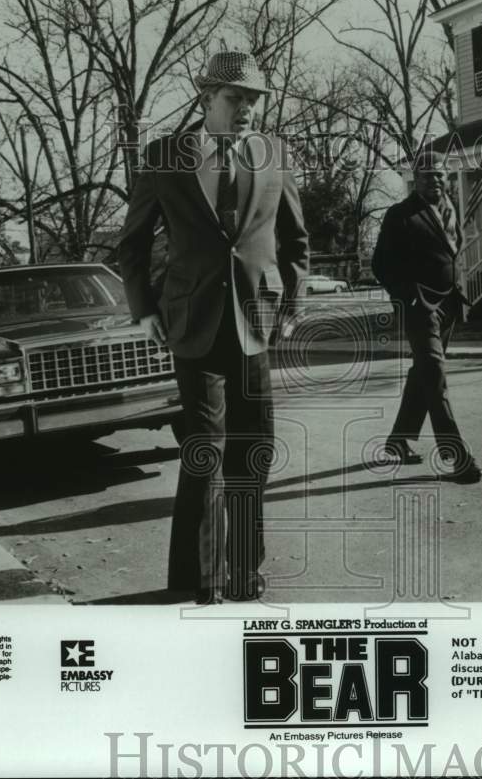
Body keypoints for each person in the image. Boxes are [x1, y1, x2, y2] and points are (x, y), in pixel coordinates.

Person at [117, 51, 310, 603]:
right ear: (206, 99)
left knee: (255, 449)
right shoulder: (164, 157)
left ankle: (246, 573)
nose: (247, 108)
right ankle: (198, 580)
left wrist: (293, 304)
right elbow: (131, 245)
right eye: (235, 98)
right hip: (193, 326)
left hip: (255, 324)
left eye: (254, 100)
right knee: (204, 448)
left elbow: (296, 241)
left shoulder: (274, 156)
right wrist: (146, 309)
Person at [371, 154, 482, 484]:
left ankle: (400, 439)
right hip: (420, 306)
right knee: (434, 372)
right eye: (426, 176)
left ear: (446, 178)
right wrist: (408, 296)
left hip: (448, 303)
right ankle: (456, 454)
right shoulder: (399, 215)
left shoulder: (451, 208)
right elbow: (381, 265)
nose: (434, 181)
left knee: (425, 371)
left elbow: (451, 252)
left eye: (439, 176)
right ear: (414, 180)